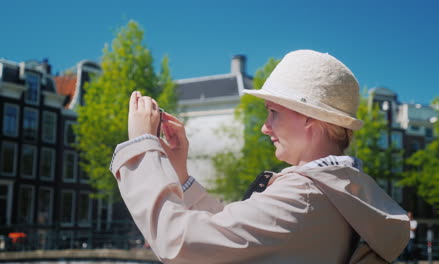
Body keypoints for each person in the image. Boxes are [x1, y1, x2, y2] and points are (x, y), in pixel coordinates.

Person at [110, 50, 410, 263]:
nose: (265, 127)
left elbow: (181, 244)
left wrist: (143, 146)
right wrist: (180, 174)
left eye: (273, 112)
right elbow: (231, 235)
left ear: (310, 119)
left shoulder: (304, 196)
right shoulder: (342, 193)